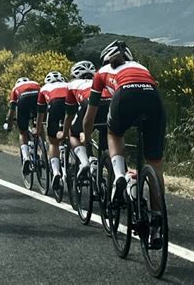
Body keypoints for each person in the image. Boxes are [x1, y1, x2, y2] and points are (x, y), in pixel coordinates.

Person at [82, 40, 166, 214]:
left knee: (113, 134)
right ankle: (157, 222)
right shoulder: (141, 67)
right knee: (155, 163)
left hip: (124, 95)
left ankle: (120, 175)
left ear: (105, 58)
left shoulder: (100, 73)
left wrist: (87, 137)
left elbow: (89, 117)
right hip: (153, 97)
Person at [57, 61, 112, 181]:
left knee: (74, 133)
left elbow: (69, 115)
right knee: (108, 142)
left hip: (89, 103)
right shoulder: (101, 81)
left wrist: (65, 132)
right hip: (110, 103)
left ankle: (84, 162)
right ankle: (112, 175)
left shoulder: (72, 84)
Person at [35, 71, 68, 190]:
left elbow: (40, 112)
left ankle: (56, 172)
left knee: (53, 142)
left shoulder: (44, 88)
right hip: (69, 104)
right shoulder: (67, 85)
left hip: (54, 104)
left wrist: (38, 129)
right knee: (71, 133)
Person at [4, 77, 41, 175]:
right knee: (38, 125)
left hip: (23, 100)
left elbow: (12, 109)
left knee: (23, 132)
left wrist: (9, 124)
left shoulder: (16, 88)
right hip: (37, 97)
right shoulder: (35, 83)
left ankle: (26, 157)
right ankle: (42, 146)